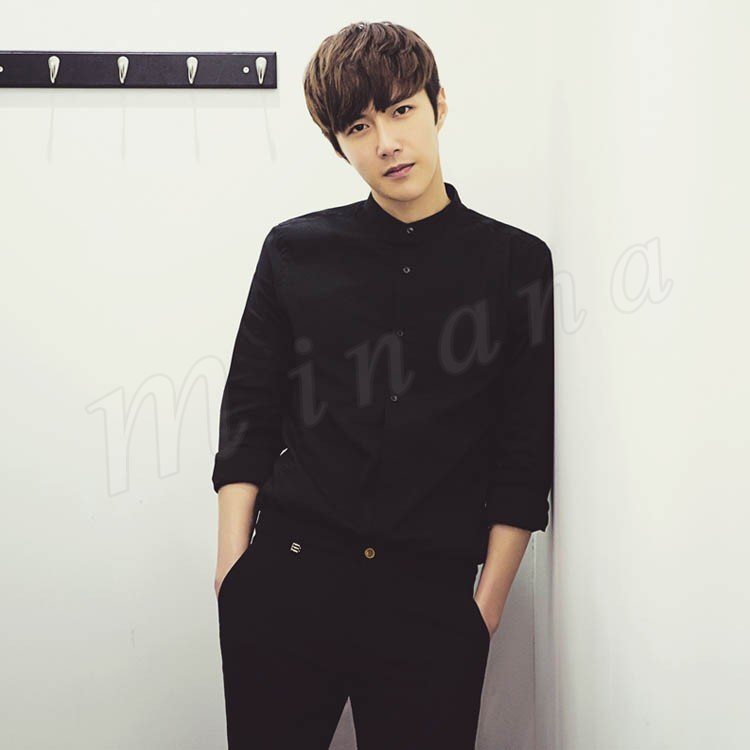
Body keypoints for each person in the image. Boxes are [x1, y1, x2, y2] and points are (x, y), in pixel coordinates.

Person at [211, 20, 554, 750]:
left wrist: (483, 611)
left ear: (438, 106)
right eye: (359, 127)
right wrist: (231, 574)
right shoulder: (294, 251)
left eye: (401, 111)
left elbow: (525, 451)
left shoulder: (516, 264)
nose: (387, 142)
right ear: (339, 143)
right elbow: (248, 413)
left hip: (432, 606)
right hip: (287, 586)